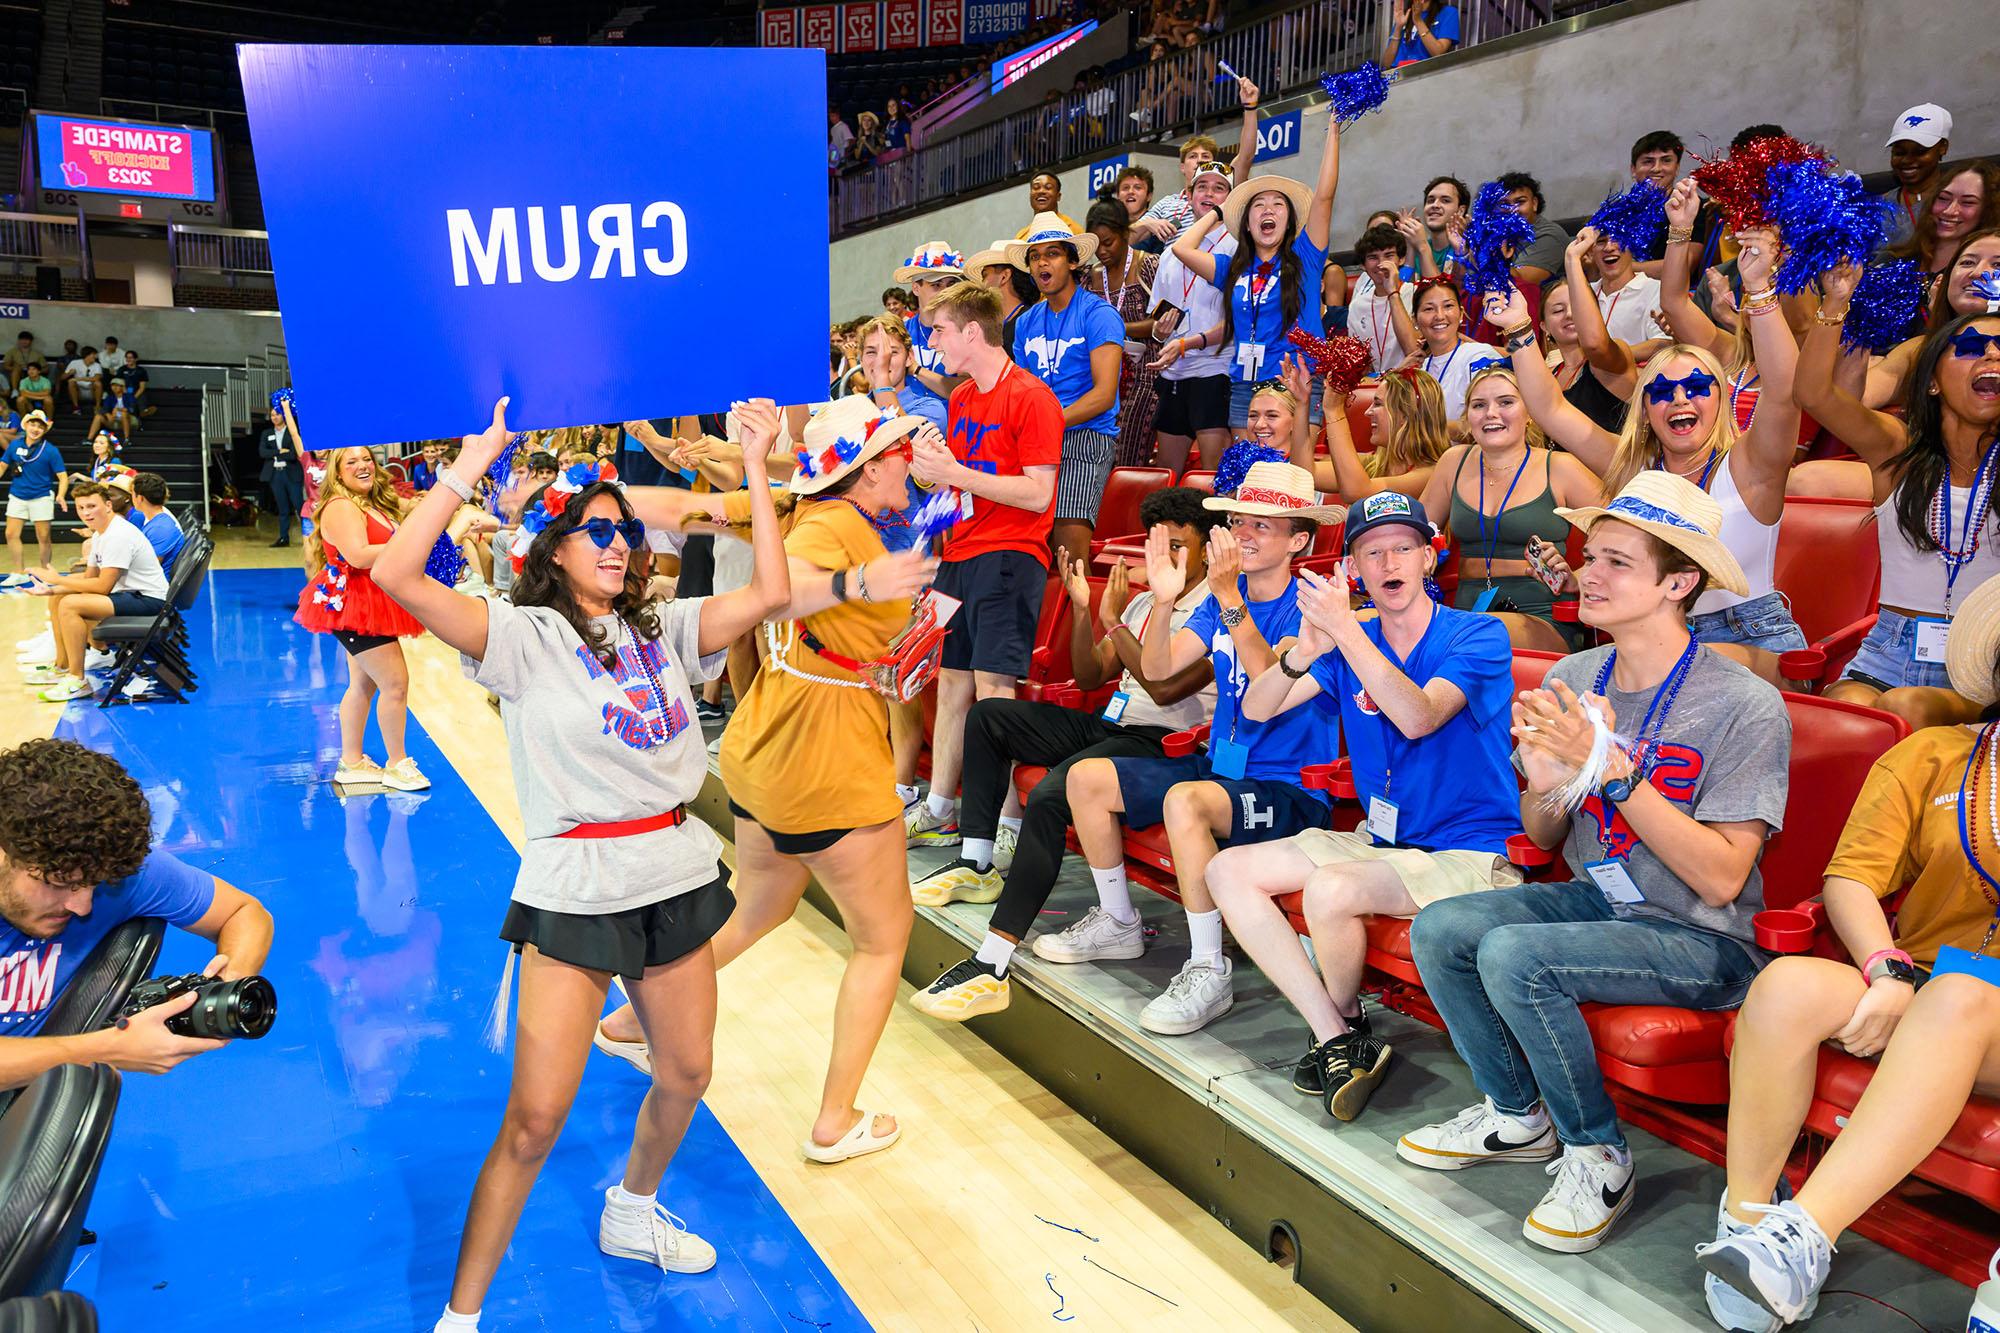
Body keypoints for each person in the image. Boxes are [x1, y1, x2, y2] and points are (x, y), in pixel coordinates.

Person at [373, 402, 785, 1333]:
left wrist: (756, 465)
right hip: (576, 887)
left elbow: (768, 594)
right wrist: (471, 461)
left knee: (685, 1072)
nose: (617, 543)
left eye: (626, 530)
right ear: (555, 547)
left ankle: (631, 1207)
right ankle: (461, 1317)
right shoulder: (520, 637)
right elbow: (394, 571)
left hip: (673, 871)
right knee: (533, 1120)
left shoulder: (664, 626)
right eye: (597, 530)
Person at [1398, 470, 1791, 1255]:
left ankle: (1598, 1153)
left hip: (1702, 936)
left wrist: (1612, 770)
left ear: (1678, 581)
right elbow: (1541, 838)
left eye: (1617, 561)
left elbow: (1720, 878)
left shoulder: (1746, 703)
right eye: (1591, 555)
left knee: (1514, 952)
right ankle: (1518, 1114)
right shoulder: (1573, 676)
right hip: (1598, 902)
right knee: (1441, 926)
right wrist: (1549, 784)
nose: (1589, 574)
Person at [601, 398, 939, 1163]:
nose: (909, 459)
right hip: (828, 758)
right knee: (884, 941)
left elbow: (682, 507)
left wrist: (588, 505)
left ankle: (631, 1021)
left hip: (766, 746)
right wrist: (864, 582)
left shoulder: (785, 502)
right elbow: (797, 586)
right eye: (897, 449)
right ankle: (835, 1117)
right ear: (870, 465)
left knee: (760, 907)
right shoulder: (833, 527)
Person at [1696, 573, 2000, 1327]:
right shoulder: (1932, 755)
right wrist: (1886, 968)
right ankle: (1750, 1219)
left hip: (1976, 1005)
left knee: (1958, 998)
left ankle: (1803, 1236)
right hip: (1929, 981)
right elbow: (1851, 879)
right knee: (1788, 986)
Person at [1212, 492, 1523, 1119]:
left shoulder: (1480, 633)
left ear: (1428, 558)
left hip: (1469, 851)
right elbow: (1257, 709)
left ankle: (1346, 1027)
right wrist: (1303, 650)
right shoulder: (1354, 641)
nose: (1390, 562)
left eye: (1403, 547)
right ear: (1353, 568)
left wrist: (1348, 633)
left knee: (1330, 889)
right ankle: (1338, 1036)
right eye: (1372, 551)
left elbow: (1417, 716)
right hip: (1386, 843)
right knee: (1226, 871)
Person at [1023, 463, 1341, 1036]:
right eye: (1240, 521)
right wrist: (1166, 602)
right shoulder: (1224, 596)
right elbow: (1158, 668)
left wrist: (1226, 599)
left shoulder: (1314, 607)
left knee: (1186, 802)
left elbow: (1270, 683)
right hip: (1221, 770)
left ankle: (1207, 967)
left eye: (1263, 526)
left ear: (1299, 540)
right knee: (1087, 779)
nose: (1244, 533)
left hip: (1291, 787)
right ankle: (1118, 922)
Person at [907, 488, 1217, 1018]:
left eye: (1179, 546)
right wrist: (1083, 611)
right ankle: (978, 860)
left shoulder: (1216, 609)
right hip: (1114, 727)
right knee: (990, 717)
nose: (1164, 556)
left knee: (1053, 793)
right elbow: (1092, 674)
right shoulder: (1145, 599)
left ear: (1209, 549)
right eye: (1157, 544)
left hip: (1166, 744)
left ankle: (994, 958)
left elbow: (1165, 689)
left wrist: (1116, 621)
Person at [1499, 226, 1811, 677]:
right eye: (1662, 391)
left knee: (1659, 667)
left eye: (1698, 387)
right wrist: (1519, 329)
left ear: (1721, 400)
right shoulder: (1636, 473)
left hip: (1751, 638)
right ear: (1645, 410)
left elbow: (1783, 392)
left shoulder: (1749, 464)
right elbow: (1548, 408)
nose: (1680, 399)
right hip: (1656, 642)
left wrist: (1760, 289)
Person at [0, 739, 273, 1088]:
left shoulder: (109, 866)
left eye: (95, 884)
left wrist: (227, 981)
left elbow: (245, 912)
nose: (82, 906)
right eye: (59, 882)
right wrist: (105, 1049)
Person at [1793, 289, 2000, 729]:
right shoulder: (1898, 449)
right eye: (1969, 348)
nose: (1993, 356)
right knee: (1850, 717)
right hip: (1887, 649)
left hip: (1982, 663)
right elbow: (1812, 393)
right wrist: (1834, 302)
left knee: (1907, 709)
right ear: (1932, 381)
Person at [905, 281, 1064, 845]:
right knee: (950, 683)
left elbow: (1039, 494)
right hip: (960, 554)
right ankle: (941, 806)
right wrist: (929, 474)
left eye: (941, 331)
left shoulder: (1032, 397)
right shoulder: (963, 398)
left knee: (995, 692)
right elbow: (955, 485)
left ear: (972, 332)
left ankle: (1008, 821)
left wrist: (955, 475)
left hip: (1009, 555)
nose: (933, 341)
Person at [1331, 361, 1601, 650]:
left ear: (1530, 413)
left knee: (1469, 634)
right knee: (1358, 623)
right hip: (1464, 612)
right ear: (1468, 417)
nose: (1491, 413)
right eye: (1479, 405)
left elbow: (1625, 536)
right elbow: (1415, 535)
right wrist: (1423, 556)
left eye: (1506, 402)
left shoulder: (1561, 467)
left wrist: (1577, 578)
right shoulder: (1453, 462)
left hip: (1541, 615)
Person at [1170, 93, 1343, 429]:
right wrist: (1220, 211)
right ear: (1247, 222)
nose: (1267, 210)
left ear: (1291, 221)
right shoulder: (1231, 267)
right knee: (1246, 475)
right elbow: (1183, 249)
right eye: (1257, 205)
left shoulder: (1305, 257)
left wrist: (1333, 130)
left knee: (1294, 476)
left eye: (1278, 204)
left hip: (1297, 380)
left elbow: (1324, 196)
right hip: (1244, 385)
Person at [296, 445, 462, 790]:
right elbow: (357, 555)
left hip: (368, 603)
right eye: (351, 462)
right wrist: (415, 546)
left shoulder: (370, 502)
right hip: (357, 605)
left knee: (363, 684)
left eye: (367, 459)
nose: (362, 466)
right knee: (396, 684)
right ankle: (398, 763)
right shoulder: (341, 506)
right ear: (337, 472)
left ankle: (352, 761)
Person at [1007, 214, 1126, 569]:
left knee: (1069, 554)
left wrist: (1046, 421)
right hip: (1039, 439)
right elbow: (1021, 390)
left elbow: (1104, 395)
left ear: (1073, 261)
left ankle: (1083, 623)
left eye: (1053, 254)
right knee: (1027, 547)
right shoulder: (1026, 321)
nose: (1042, 262)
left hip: (1086, 436)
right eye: (1035, 256)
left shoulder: (1099, 314)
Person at [19, 481, 168, 703]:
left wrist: (57, 578)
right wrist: (52, 589)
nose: (86, 513)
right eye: (81, 508)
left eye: (91, 506)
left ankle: (77, 680)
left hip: (149, 600)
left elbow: (102, 587)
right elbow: (89, 578)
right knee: (61, 597)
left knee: (70, 605)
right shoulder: (100, 533)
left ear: (108, 505)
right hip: (129, 594)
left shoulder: (118, 534)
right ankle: (62, 665)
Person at [1147, 161, 1238, 475]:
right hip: (1174, 373)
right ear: (1189, 195)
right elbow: (1159, 316)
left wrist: (1189, 343)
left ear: (1230, 198)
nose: (1209, 193)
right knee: (1166, 473)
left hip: (1215, 370)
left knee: (1212, 476)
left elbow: (1241, 319)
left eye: (1219, 187)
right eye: (1202, 186)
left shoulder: (1239, 247)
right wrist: (1160, 333)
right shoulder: (1171, 253)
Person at [1086, 199, 1163, 469]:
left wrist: (1114, 329)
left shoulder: (1148, 266)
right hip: (1102, 375)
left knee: (1126, 452)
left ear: (1125, 234)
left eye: (1108, 242)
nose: (1102, 251)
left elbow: (1164, 320)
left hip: (1146, 374)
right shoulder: (1090, 277)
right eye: (1096, 245)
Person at [1544, 229, 1637, 435]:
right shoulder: (1547, 376)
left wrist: (1573, 261)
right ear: (1544, 326)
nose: (1570, 314)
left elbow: (1595, 344)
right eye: (1558, 310)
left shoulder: (1612, 359)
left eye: (1576, 307)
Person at [1317, 365, 1451, 498]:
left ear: (1405, 414)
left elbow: (1356, 492)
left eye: (1378, 404)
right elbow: (1306, 474)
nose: (1367, 412)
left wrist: (1334, 411)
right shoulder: (1373, 463)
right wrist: (1303, 401)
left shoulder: (1431, 474)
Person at [1884, 160, 2000, 311]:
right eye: (1943, 198)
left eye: (1968, 202)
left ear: (1988, 210)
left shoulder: (1979, 278)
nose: (1949, 211)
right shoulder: (1890, 261)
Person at [1385, 277, 1501, 422]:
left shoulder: (1479, 357)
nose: (1439, 316)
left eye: (1448, 306)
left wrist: (1425, 431)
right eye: (1429, 309)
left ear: (1460, 314)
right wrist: (1398, 375)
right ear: (1414, 320)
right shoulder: (1418, 369)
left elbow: (1490, 421)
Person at [894, 241, 969, 418]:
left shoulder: (966, 331)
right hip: (908, 428)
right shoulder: (900, 333)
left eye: (950, 284)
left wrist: (915, 369)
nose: (945, 292)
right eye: (936, 285)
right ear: (916, 288)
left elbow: (964, 390)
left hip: (955, 429)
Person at [0, 410, 66, 585]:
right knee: (10, 534)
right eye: (33, 424)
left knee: (43, 537)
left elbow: (62, 476)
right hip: (17, 495)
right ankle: (18, 572)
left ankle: (46, 572)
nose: (35, 428)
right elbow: (2, 466)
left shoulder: (51, 450)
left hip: (41, 496)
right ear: (26, 425)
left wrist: (60, 495)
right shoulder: (14, 445)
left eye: (40, 426)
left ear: (44, 429)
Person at [1347, 223, 1415, 376]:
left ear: (1402, 259)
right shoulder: (1357, 306)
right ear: (1363, 265)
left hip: (1411, 380)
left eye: (1389, 255)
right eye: (1373, 257)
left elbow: (1414, 352)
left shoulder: (1416, 294)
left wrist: (1392, 292)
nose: (1381, 264)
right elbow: (1360, 364)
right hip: (1375, 386)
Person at [1591, 228, 1669, 351]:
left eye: (1618, 239)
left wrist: (1606, 358)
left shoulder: (1656, 290)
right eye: (1601, 241)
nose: (1609, 247)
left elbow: (1665, 343)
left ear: (1632, 245)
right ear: (1590, 252)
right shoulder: (1584, 292)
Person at [1497, 171, 1571, 290]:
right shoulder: (1500, 234)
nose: (1512, 210)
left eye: (1520, 202)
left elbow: (1522, 283)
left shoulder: (1549, 236)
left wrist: (1489, 255)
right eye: (1505, 204)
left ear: (1534, 204)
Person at [963, 241, 1038, 355]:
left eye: (985, 275)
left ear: (1004, 276)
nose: (982, 283)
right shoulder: (986, 322)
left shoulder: (1030, 322)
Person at [260, 405, 306, 548]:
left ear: (284, 416)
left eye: (277, 414)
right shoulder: (266, 433)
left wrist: (274, 452)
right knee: (282, 508)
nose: (274, 417)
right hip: (275, 475)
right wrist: (280, 451)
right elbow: (262, 452)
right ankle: (283, 537)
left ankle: (310, 537)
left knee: (300, 506)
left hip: (291, 473)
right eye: (272, 415)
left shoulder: (293, 433)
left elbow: (293, 454)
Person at [130, 472, 185, 576]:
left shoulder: (160, 528)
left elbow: (147, 569)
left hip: (151, 589)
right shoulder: (156, 522)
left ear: (140, 498)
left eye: (132, 493)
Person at [1385, 0, 1458, 66]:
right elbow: (1386, 63)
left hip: (1427, 75)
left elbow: (1438, 52)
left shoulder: (1448, 12)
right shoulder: (1405, 14)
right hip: (1399, 76)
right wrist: (1398, 27)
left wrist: (1418, 20)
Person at [1016, 172, 1079, 239]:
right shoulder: (1021, 237)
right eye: (1036, 187)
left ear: (1058, 196)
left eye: (1048, 188)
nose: (1041, 191)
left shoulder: (1071, 229)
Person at [62, 346, 103, 416]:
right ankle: (76, 407)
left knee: (98, 383)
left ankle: (97, 406)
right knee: (71, 382)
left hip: (91, 391)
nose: (95, 357)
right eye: (94, 354)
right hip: (78, 391)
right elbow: (62, 378)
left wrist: (78, 379)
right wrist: (69, 373)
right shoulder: (74, 363)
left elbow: (96, 378)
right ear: (87, 355)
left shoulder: (97, 365)